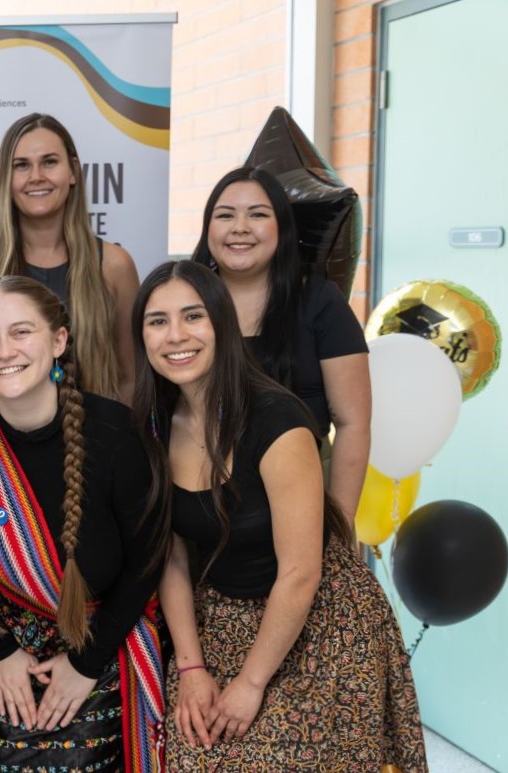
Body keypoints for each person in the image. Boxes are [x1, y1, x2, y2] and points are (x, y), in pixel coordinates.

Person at [131, 259, 427, 770]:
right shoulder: (152, 427)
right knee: (188, 753)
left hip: (318, 616)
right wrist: (191, 668)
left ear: (222, 325)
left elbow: (300, 571)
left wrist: (250, 683)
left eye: (192, 316)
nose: (175, 335)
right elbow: (172, 560)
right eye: (157, 321)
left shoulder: (278, 420)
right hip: (222, 616)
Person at [0, 275, 165, 772]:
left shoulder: (117, 432)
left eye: (21, 332)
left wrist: (85, 665)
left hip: (103, 657)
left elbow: (147, 560)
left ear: (59, 341)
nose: (4, 350)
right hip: (8, 668)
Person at [191, 166, 370, 521]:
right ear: (208, 228)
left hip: (305, 496)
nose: (240, 227)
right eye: (225, 215)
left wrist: (339, 525)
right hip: (201, 493)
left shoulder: (320, 301)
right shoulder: (185, 301)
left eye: (258, 214)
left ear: (282, 228)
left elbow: (353, 422)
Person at [0, 113, 140, 410]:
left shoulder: (113, 265)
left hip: (87, 447)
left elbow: (129, 377)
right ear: (6, 179)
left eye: (49, 162)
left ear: (72, 172)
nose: (36, 176)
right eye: (21, 165)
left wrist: (116, 444)